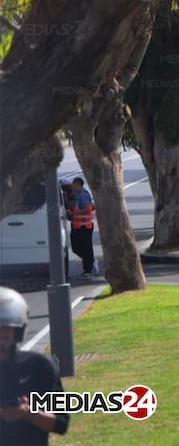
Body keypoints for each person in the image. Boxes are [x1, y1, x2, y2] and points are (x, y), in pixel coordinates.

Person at [0, 287, 70, 444]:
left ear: (17, 331)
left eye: (5, 328)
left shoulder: (39, 366)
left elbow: (61, 423)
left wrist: (29, 413)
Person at [67, 177, 96, 279]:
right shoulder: (77, 195)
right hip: (77, 226)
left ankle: (88, 271)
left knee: (86, 249)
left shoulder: (83, 195)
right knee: (76, 248)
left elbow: (88, 208)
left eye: (73, 184)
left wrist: (75, 214)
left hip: (84, 227)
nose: (72, 186)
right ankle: (90, 261)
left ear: (78, 185)